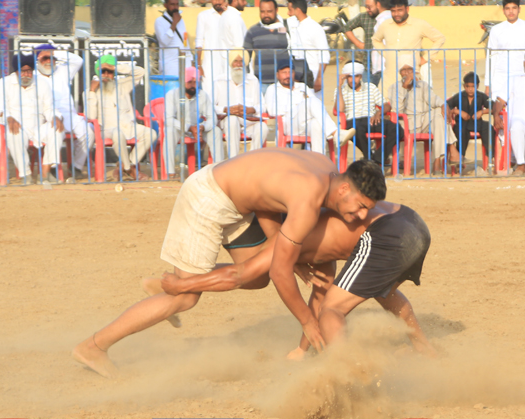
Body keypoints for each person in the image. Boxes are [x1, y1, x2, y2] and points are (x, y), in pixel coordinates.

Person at [71, 150, 388, 377]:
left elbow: (266, 196)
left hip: (239, 202)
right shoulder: (308, 200)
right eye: (361, 206)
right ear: (344, 188)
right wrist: (306, 321)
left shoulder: (324, 168)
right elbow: (280, 270)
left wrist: (285, 249)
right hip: (207, 198)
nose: (362, 215)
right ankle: (94, 347)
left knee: (256, 277)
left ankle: (170, 282)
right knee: (185, 298)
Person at [158, 201, 434, 359]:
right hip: (411, 221)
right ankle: (424, 347)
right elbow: (321, 291)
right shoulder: (310, 220)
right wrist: (302, 350)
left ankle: (345, 374)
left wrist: (182, 285)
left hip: (389, 235)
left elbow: (238, 275)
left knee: (333, 310)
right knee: (379, 290)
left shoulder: (286, 241)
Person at [0, 53, 62, 183]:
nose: (26, 75)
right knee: (13, 133)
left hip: (38, 127)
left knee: (57, 128)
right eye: (23, 71)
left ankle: (45, 172)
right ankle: (26, 174)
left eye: (29, 71)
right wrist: (8, 118)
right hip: (17, 126)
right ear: (16, 72)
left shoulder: (42, 83)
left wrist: (55, 117)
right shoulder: (4, 83)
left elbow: (49, 108)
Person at [85, 54, 156, 180]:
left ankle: (126, 165)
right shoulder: (90, 91)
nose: (106, 74)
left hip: (128, 126)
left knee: (151, 133)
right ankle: (129, 169)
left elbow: (140, 72)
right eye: (103, 71)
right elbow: (90, 116)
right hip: (106, 129)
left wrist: (115, 67)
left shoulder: (122, 85)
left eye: (110, 72)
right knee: (118, 134)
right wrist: (91, 92)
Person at [262, 59, 354, 156]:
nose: (287, 75)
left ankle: (318, 160)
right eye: (284, 73)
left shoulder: (302, 86)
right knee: (310, 102)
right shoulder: (272, 89)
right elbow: (272, 111)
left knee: (316, 124)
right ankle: (336, 133)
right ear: (277, 75)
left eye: (290, 72)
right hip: (287, 124)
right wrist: (298, 106)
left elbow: (316, 105)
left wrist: (304, 105)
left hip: (305, 123)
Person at [390, 58, 458, 174]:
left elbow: (434, 99)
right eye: (404, 70)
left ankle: (437, 162)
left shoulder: (423, 85)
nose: (407, 73)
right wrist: (404, 87)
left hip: (425, 122)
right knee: (439, 118)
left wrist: (444, 105)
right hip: (408, 124)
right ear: (400, 73)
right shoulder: (394, 88)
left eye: (410, 70)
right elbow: (397, 110)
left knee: (439, 115)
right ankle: (451, 151)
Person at [34, 44, 91, 177]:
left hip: (69, 116)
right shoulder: (34, 77)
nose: (48, 61)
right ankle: (52, 169)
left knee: (89, 132)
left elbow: (78, 60)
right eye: (44, 58)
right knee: (54, 132)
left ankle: (76, 167)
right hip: (47, 117)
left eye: (51, 58)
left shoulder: (62, 71)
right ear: (38, 61)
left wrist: (53, 53)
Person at [374, 0, 446, 97]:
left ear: (407, 9)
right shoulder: (386, 25)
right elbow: (376, 40)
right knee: (385, 104)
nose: (396, 14)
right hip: (389, 77)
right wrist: (387, 55)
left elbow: (439, 38)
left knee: (411, 103)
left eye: (400, 10)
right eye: (393, 11)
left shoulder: (419, 24)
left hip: (410, 77)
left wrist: (425, 58)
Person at [339, 61, 402, 167]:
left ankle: (377, 159)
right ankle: (369, 158)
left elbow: (387, 105)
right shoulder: (341, 90)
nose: (353, 80)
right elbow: (340, 109)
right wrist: (339, 86)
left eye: (356, 76)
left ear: (361, 76)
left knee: (397, 129)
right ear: (346, 77)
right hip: (353, 121)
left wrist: (379, 112)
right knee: (356, 129)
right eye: (350, 77)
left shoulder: (370, 87)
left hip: (371, 119)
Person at [484, 0, 525, 104]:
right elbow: (491, 57)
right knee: (499, 111)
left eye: (514, 8)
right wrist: (488, 84)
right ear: (503, 11)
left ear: (519, 9)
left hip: (524, 77)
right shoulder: (496, 30)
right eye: (507, 8)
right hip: (500, 79)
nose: (511, 11)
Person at [209, 52, 267, 160]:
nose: (239, 65)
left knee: (263, 128)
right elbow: (209, 106)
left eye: (241, 61)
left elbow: (263, 106)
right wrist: (226, 109)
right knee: (232, 119)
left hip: (248, 121)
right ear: (231, 63)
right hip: (226, 122)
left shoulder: (253, 80)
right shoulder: (219, 80)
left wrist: (252, 109)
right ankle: (233, 160)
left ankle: (252, 161)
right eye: (235, 61)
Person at [163, 66, 214, 173]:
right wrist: (188, 127)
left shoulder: (203, 95)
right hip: (179, 129)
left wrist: (203, 127)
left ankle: (218, 169)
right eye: (190, 82)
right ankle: (170, 173)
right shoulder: (171, 95)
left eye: (195, 82)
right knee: (170, 131)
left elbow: (212, 118)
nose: (193, 85)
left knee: (216, 131)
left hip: (198, 129)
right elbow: (168, 119)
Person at [446, 72, 495, 167]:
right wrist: (458, 111)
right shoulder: (459, 96)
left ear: (477, 86)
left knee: (489, 128)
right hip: (462, 123)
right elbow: (446, 106)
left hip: (477, 123)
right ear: (464, 86)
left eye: (473, 86)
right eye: (468, 86)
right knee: (461, 131)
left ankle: (490, 157)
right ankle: (460, 158)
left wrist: (482, 112)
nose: (470, 89)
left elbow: (494, 107)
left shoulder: (481, 96)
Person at [285, 0, 332, 96]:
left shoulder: (315, 28)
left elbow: (324, 55)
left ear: (298, 10)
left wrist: (319, 78)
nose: (288, 13)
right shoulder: (294, 27)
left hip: (312, 75)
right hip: (297, 76)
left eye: (290, 10)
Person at [243, 0, 290, 89]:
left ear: (276, 10)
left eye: (269, 11)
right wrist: (248, 78)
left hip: (283, 83)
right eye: (262, 11)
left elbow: (296, 53)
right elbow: (245, 56)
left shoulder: (287, 29)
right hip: (261, 83)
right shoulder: (253, 31)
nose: (266, 15)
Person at [343, 0, 385, 85]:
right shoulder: (364, 17)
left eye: (370, 7)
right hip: (368, 65)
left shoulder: (387, 18)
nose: (367, 9)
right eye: (366, 6)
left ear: (378, 5)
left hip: (385, 65)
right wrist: (358, 43)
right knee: (367, 92)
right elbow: (346, 28)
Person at [153, 0, 190, 78]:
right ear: (165, 5)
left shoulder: (181, 20)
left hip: (185, 64)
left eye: (177, 4)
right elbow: (164, 42)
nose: (175, 7)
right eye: (172, 4)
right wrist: (174, 24)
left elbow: (185, 39)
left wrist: (190, 59)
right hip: (170, 66)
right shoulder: (159, 21)